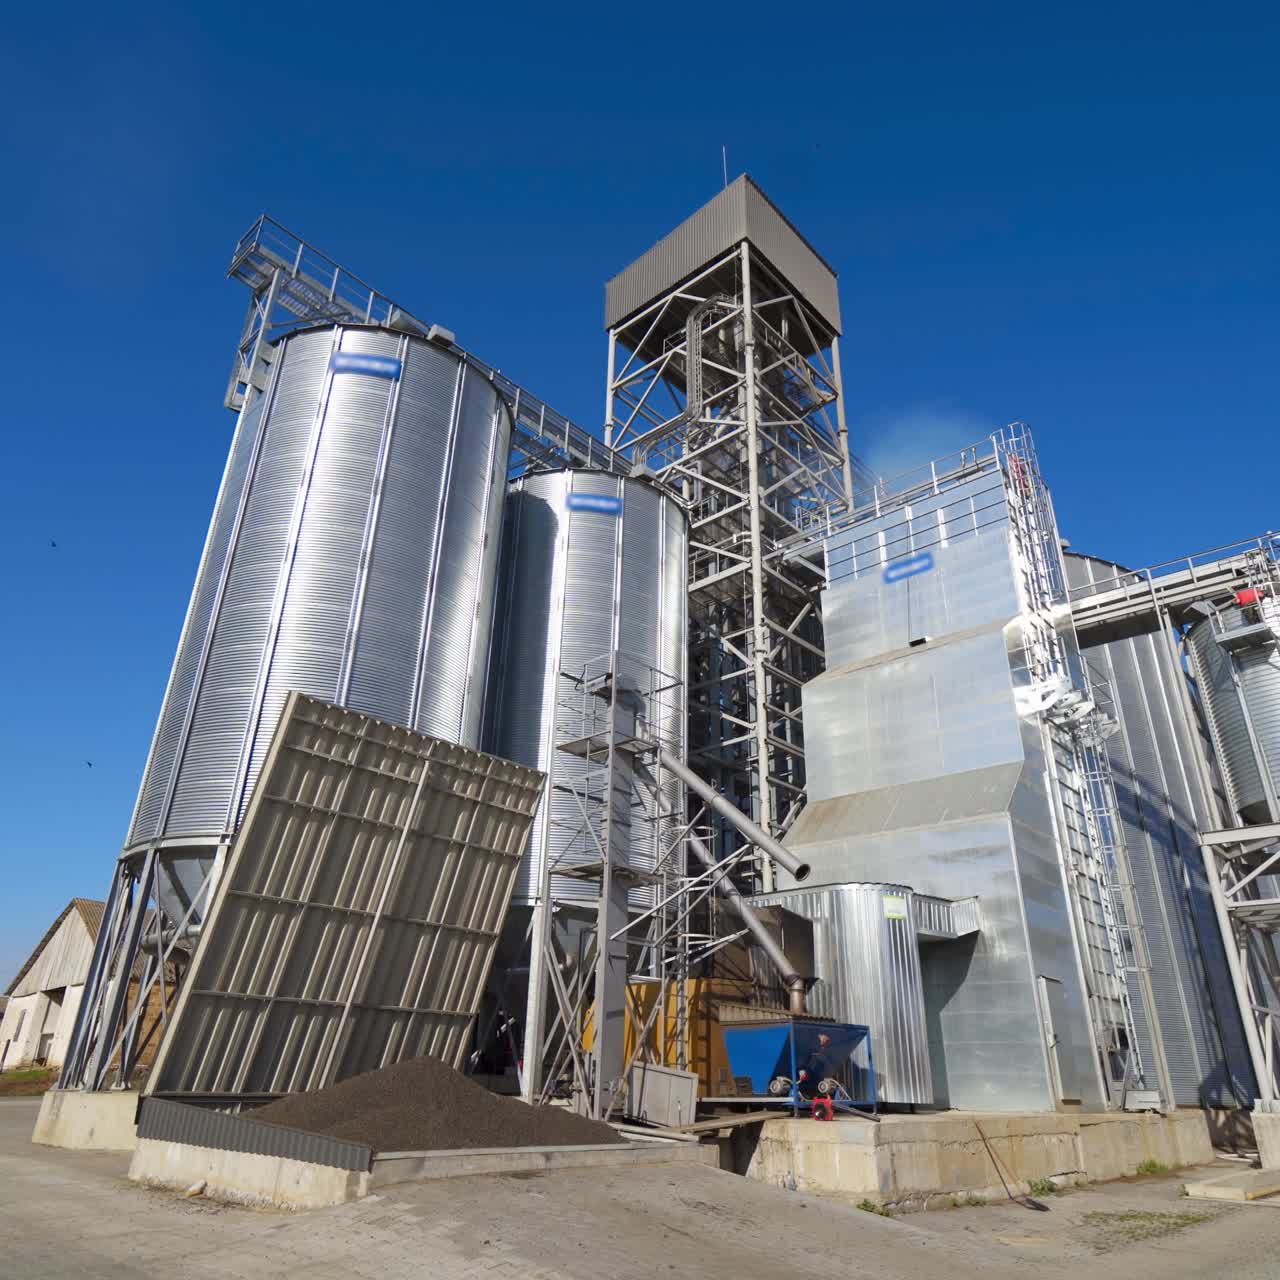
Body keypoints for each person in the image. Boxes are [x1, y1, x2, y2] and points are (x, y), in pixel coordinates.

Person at [795, 1032, 833, 1099]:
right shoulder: (808, 1047)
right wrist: (801, 1070)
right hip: (804, 1076)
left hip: (812, 1081)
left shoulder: (818, 1054)